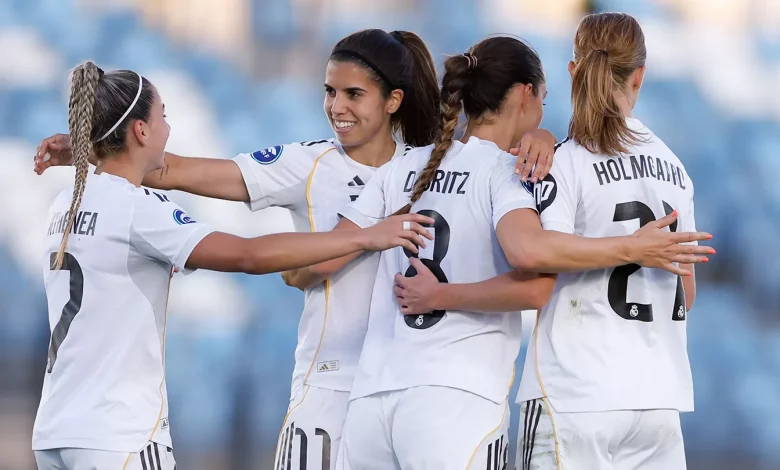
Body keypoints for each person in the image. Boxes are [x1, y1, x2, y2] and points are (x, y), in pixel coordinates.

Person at [33, 30, 560, 470]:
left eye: (352, 94)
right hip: (329, 389)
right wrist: (96, 143)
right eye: (330, 92)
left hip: (397, 384)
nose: (336, 107)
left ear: (393, 100)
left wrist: (544, 139)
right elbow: (175, 171)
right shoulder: (308, 163)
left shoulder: (423, 166)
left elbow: (497, 156)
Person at [324, 35, 714, 469]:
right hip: (635, 395)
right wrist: (633, 248)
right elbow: (538, 272)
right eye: (542, 99)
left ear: (575, 71)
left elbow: (316, 260)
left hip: (378, 392)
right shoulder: (664, 167)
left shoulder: (410, 165)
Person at [510, 13, 704, 470]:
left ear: (573, 71)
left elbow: (542, 251)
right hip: (658, 402)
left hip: (577, 395)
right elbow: (686, 293)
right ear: (639, 77)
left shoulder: (563, 162)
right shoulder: (675, 170)